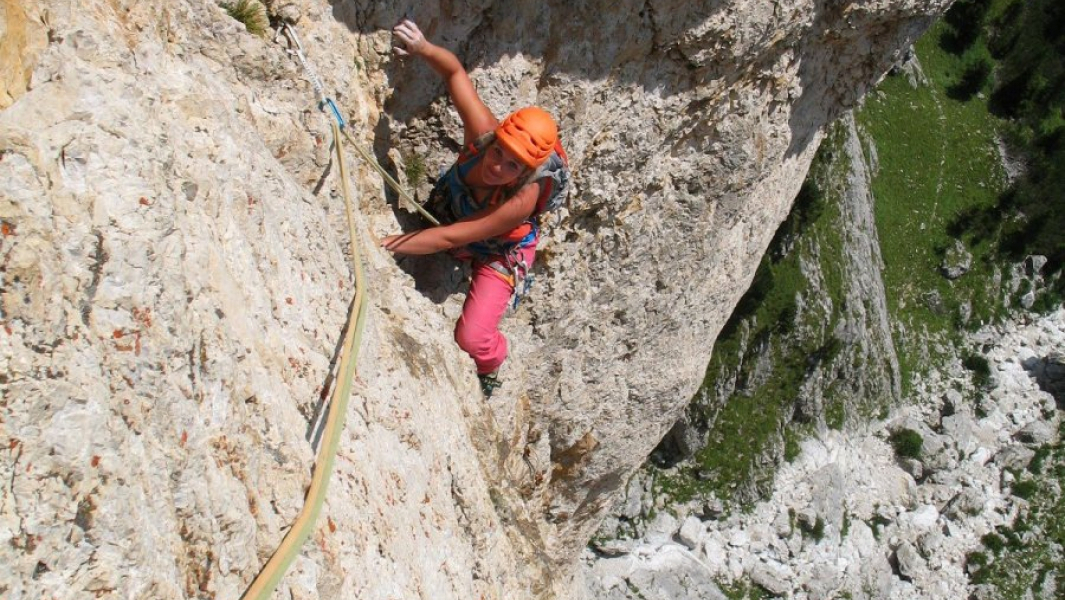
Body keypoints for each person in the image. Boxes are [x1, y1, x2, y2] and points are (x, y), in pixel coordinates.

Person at [382, 19, 568, 398]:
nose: (497, 165)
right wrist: (422, 47)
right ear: (496, 138)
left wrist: (385, 244)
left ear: (527, 172)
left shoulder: (520, 201)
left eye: (513, 165)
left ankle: (492, 362)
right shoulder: (483, 135)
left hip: (502, 248)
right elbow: (454, 73)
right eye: (499, 152)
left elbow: (451, 235)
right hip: (461, 212)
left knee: (472, 337)